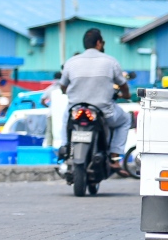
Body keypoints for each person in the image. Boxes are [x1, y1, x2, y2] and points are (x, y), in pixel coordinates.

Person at [56, 29, 131, 162]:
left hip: (76, 111)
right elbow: (123, 84)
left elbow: (63, 85)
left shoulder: (71, 62)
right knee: (125, 120)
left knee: (65, 117)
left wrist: (66, 91)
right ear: (98, 43)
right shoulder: (110, 61)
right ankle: (114, 157)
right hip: (103, 112)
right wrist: (125, 95)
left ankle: (64, 146)